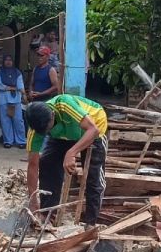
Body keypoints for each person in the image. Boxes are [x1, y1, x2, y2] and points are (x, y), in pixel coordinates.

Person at [24, 95, 109, 225]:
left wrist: (71, 152)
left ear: (52, 115)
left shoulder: (64, 104)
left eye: (48, 128)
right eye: (45, 132)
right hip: (63, 135)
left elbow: (93, 130)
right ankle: (48, 215)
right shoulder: (36, 128)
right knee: (47, 163)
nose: (47, 132)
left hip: (93, 127)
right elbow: (33, 165)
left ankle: (90, 222)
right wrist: (33, 201)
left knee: (93, 176)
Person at [0, 55, 26, 148]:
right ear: (3, 62)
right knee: (5, 121)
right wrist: (10, 87)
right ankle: (8, 141)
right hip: (4, 99)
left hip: (16, 99)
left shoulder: (17, 72)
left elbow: (20, 86)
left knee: (18, 120)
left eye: (10, 60)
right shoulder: (0, 72)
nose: (8, 62)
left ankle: (21, 141)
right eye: (6, 60)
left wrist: (24, 95)